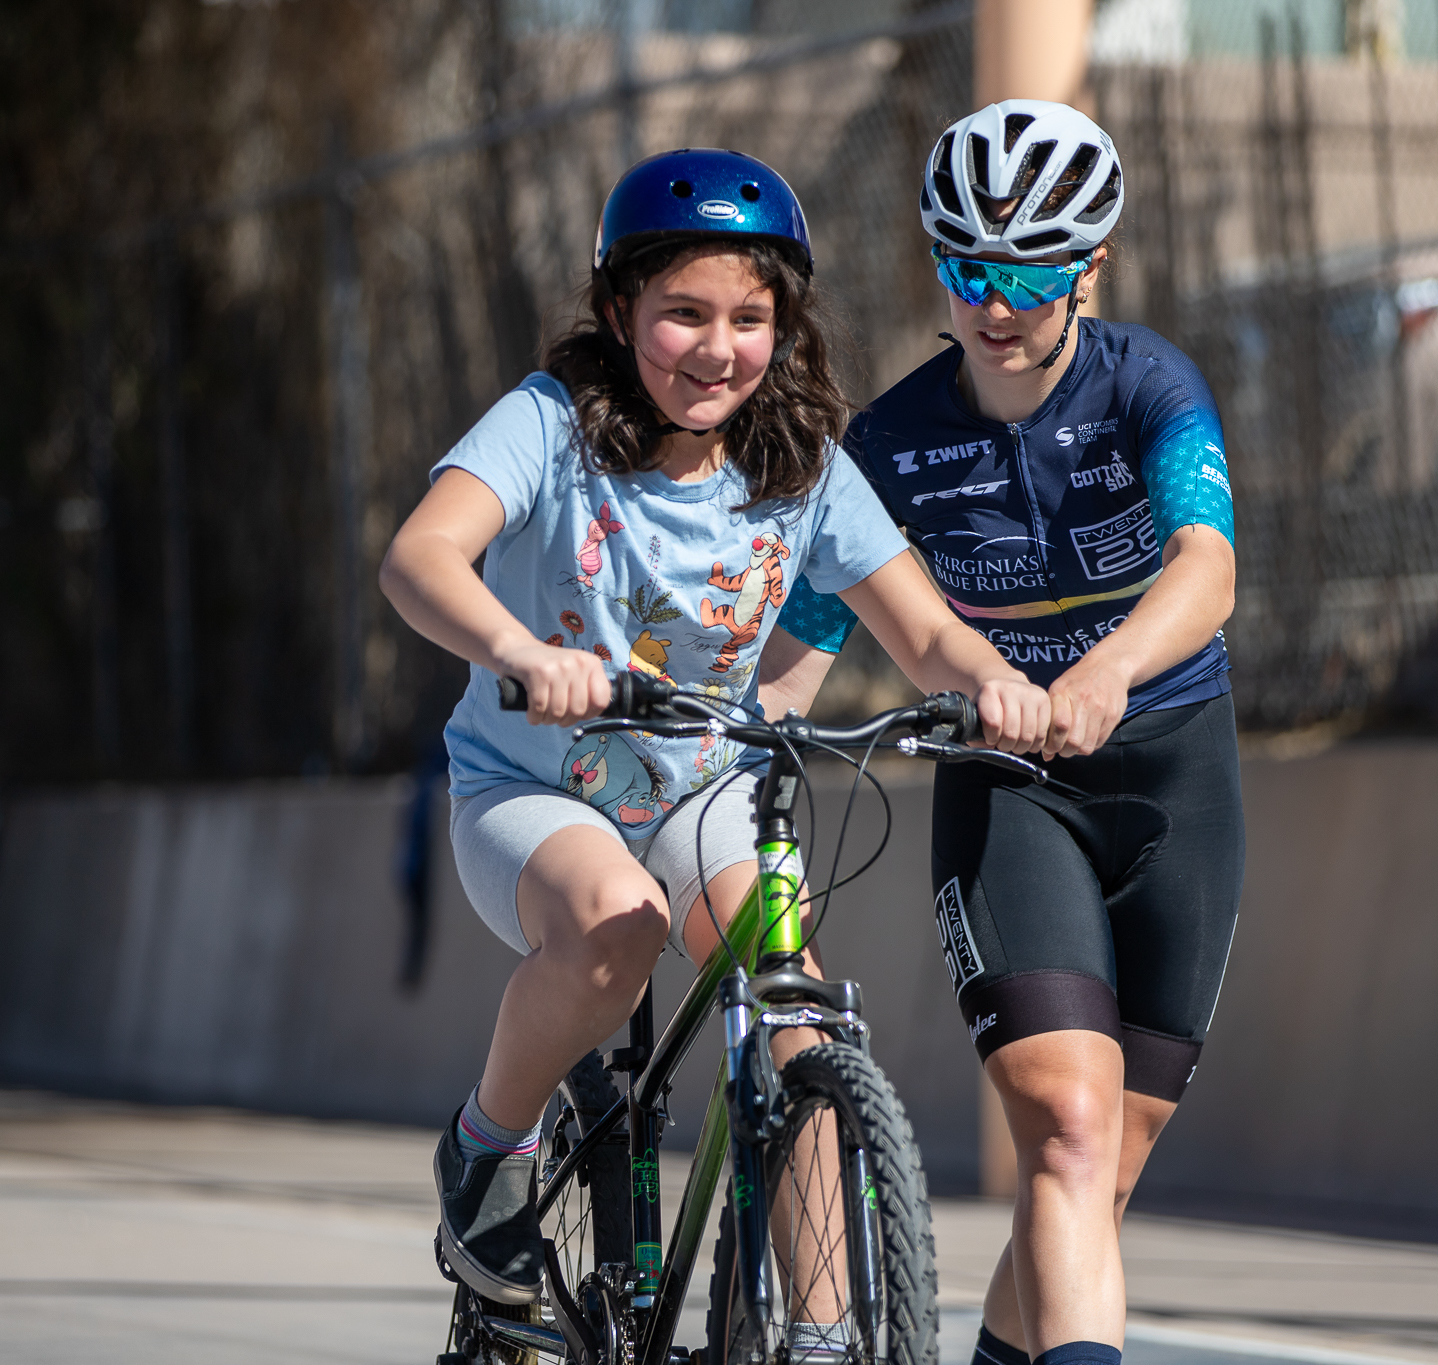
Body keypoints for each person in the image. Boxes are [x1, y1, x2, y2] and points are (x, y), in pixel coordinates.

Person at [379, 147, 1050, 1308]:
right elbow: (417, 556)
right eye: (682, 313)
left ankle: (826, 1335)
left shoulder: (805, 468)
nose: (717, 347)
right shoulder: (548, 425)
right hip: (535, 793)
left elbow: (929, 634)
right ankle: (488, 1145)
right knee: (614, 927)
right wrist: (523, 653)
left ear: (782, 327)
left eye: (748, 318)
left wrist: (1001, 688)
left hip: (704, 791)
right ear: (616, 308)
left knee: (792, 1008)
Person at [762, 101, 1245, 1365]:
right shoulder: (890, 445)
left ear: (1089, 262)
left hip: (1167, 779)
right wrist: (738, 738)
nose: (993, 300)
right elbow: (803, 652)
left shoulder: (1147, 385)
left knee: (1100, 1170)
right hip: (1007, 792)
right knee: (1066, 1131)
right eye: (965, 267)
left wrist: (1107, 670)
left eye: (1027, 269)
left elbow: (1205, 567)